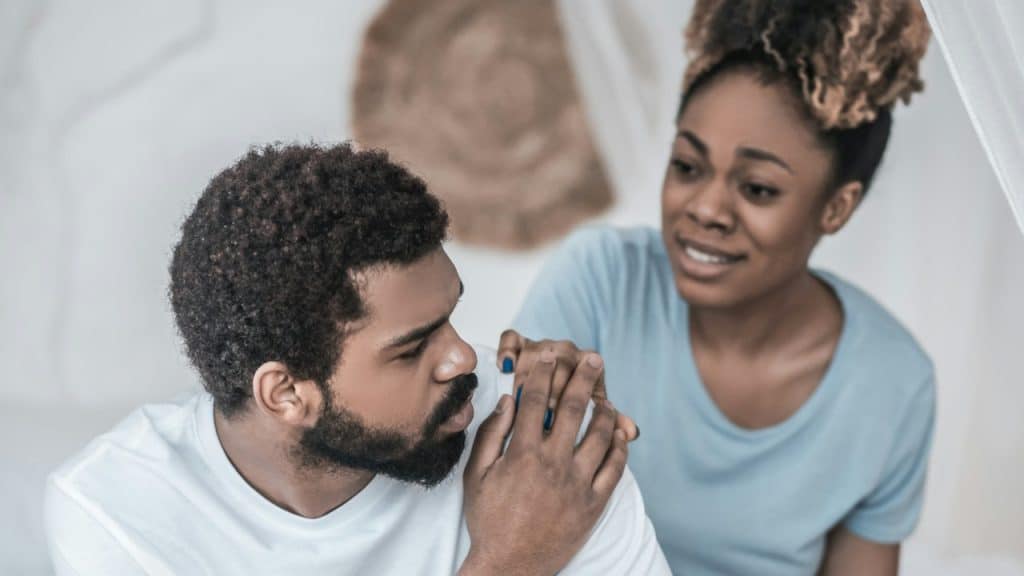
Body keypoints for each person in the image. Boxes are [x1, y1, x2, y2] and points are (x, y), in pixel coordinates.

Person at [44, 143, 668, 575]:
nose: (459, 357)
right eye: (411, 347)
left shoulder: (541, 449)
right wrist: (509, 562)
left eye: (449, 318)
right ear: (285, 393)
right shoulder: (117, 511)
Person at [498, 1, 935, 574]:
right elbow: (504, 524)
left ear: (836, 207)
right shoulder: (599, 279)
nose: (704, 209)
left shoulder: (892, 381)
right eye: (687, 166)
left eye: (756, 189)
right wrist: (510, 401)